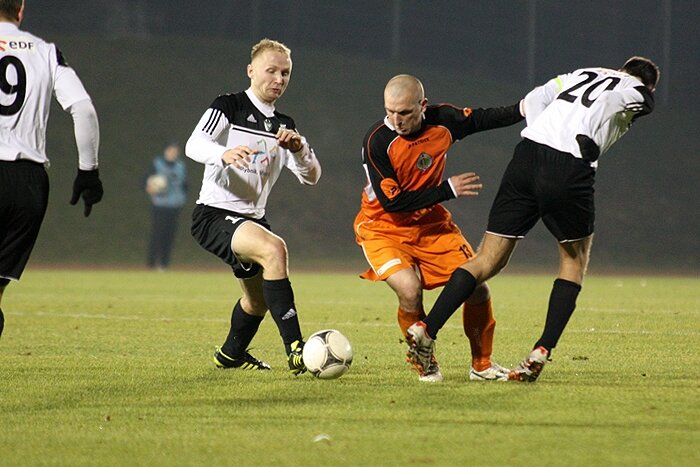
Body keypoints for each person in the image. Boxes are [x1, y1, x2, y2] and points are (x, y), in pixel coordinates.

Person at [406, 57, 659, 382]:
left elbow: (536, 97)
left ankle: (427, 329)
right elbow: (623, 99)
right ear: (648, 83)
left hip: (527, 156)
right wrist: (588, 135)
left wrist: (541, 132)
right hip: (569, 165)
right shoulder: (636, 88)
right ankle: (541, 350)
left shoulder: (582, 73)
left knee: (486, 259)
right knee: (573, 262)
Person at [354, 74, 525, 381]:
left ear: (423, 105)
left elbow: (482, 119)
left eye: (404, 112)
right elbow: (393, 203)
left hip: (430, 223)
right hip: (383, 227)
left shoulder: (443, 120)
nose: (396, 120)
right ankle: (425, 360)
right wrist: (447, 189)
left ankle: (482, 365)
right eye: (390, 112)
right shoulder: (377, 141)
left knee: (476, 286)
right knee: (409, 290)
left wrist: (524, 108)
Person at [185, 38, 320, 374]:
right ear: (251, 71)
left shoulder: (284, 125)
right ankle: (297, 350)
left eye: (285, 73)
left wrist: (299, 149)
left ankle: (230, 355)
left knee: (257, 302)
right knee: (275, 250)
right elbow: (194, 144)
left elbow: (312, 176)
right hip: (214, 215)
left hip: (251, 221)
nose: (278, 79)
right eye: (271, 71)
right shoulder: (229, 106)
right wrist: (223, 153)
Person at [0, 0, 102, 340]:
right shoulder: (46, 52)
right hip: (27, 183)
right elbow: (83, 109)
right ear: (20, 10)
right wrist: (88, 171)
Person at [145, 141, 187, 270]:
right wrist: (150, 187)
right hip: (160, 205)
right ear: (165, 151)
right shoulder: (157, 164)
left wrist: (182, 197)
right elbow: (145, 181)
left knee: (170, 235)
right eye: (170, 150)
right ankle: (152, 263)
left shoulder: (180, 166)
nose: (173, 153)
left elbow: (185, 185)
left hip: (174, 206)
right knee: (157, 234)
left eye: (175, 151)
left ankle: (164, 263)